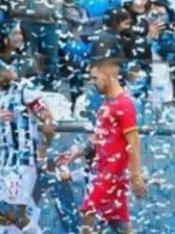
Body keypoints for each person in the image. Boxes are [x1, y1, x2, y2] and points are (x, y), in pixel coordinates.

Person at [60, 50, 148, 234]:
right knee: (121, 225)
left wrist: (136, 176)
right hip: (103, 171)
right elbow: (100, 137)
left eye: (95, 77)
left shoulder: (124, 104)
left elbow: (134, 142)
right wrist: (77, 153)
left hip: (111, 174)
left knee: (87, 212)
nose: (92, 83)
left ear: (108, 75)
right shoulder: (107, 104)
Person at [0, 58, 55, 234]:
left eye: (4, 69)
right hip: (5, 161)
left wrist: (43, 152)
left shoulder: (25, 90)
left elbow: (49, 121)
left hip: (24, 160)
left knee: (14, 212)